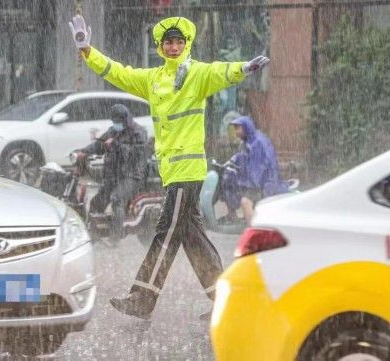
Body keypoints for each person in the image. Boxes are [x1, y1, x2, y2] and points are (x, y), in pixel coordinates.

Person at [69, 15, 270, 320]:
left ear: (186, 44)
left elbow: (221, 71)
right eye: (169, 42)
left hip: (188, 173)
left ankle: (142, 297)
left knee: (166, 231)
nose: (174, 46)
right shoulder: (153, 79)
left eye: (179, 41)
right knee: (192, 237)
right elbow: (118, 73)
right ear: (161, 46)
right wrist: (88, 51)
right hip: (171, 172)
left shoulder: (196, 73)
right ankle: (224, 298)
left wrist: (243, 68)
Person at [76, 103, 148, 244]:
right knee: (96, 202)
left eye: (118, 122)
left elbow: (135, 154)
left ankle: (115, 237)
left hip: (132, 175)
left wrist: (116, 145)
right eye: (114, 122)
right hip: (114, 175)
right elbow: (99, 144)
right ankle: (94, 235)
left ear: (125, 119)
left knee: (116, 198)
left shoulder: (139, 132)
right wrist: (84, 151)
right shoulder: (113, 131)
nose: (116, 125)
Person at [222, 115, 289, 225]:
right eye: (235, 129)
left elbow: (258, 168)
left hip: (265, 183)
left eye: (238, 128)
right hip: (258, 182)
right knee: (231, 188)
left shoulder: (257, 143)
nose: (236, 132)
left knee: (245, 202)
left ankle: (254, 232)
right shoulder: (249, 141)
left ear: (246, 127)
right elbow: (242, 157)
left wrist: (248, 183)